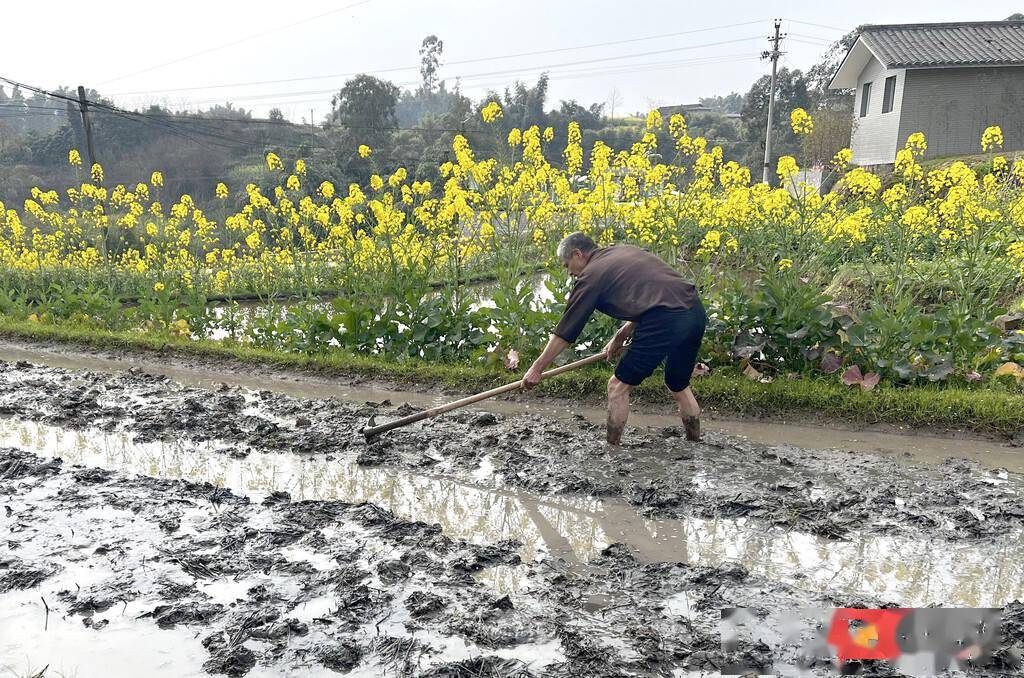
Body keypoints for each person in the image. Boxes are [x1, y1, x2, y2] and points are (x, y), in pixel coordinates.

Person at [522, 232, 706, 444]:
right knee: (678, 383)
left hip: (665, 319)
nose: (569, 273)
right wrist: (621, 334)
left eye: (566, 265)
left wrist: (537, 368)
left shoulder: (591, 275)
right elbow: (653, 294)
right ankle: (694, 444)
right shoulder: (624, 251)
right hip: (694, 311)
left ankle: (612, 449)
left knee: (617, 386)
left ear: (578, 254)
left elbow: (566, 330)